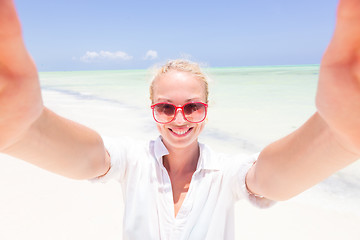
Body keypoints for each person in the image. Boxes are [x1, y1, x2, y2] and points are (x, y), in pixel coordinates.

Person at [0, 0, 359, 239]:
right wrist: (30, 130)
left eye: (192, 107)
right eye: (166, 108)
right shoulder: (133, 161)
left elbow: (268, 178)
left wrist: (335, 137)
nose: (179, 118)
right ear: (153, 110)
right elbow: (91, 159)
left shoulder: (224, 173)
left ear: (206, 110)